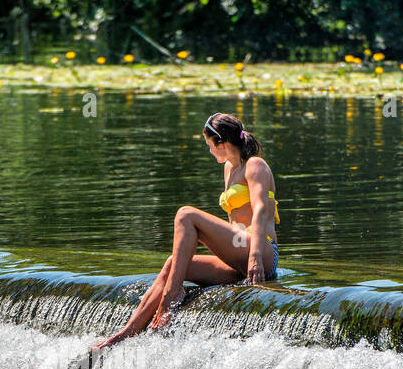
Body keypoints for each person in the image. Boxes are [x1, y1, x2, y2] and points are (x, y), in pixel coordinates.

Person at [93, 112, 280, 350]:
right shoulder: (229, 170)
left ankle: (171, 296)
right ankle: (124, 335)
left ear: (221, 143)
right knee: (173, 265)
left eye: (210, 146)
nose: (210, 151)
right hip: (237, 255)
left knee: (186, 214)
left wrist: (255, 257)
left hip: (261, 251)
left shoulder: (254, 165)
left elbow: (262, 210)